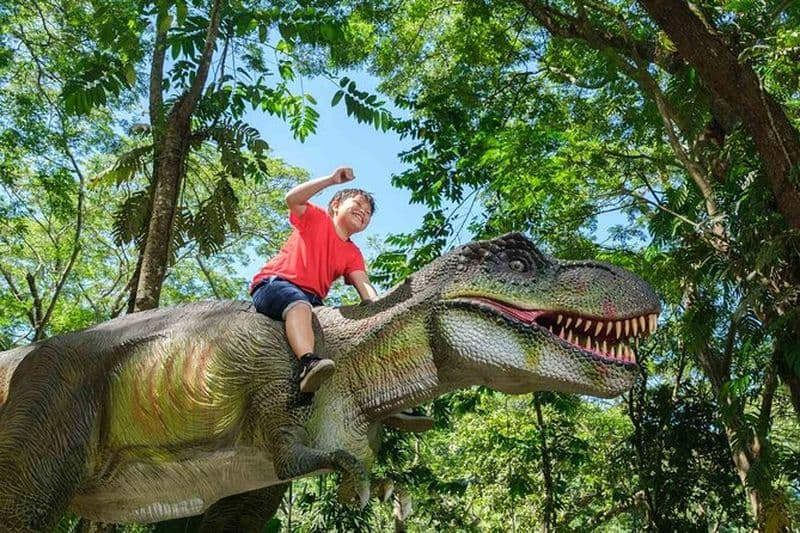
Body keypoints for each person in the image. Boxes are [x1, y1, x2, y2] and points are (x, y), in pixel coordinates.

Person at [250, 167, 378, 393]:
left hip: (313, 300)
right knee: (299, 305)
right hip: (277, 284)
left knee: (339, 332)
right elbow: (292, 199)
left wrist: (380, 308)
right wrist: (331, 180)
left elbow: (365, 286)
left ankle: (372, 386)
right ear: (336, 205)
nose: (363, 212)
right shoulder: (316, 218)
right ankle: (307, 363)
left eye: (368, 212)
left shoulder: (353, 253)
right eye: (358, 204)